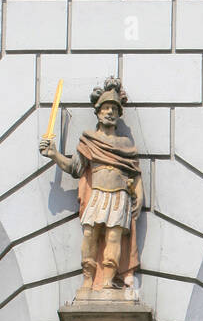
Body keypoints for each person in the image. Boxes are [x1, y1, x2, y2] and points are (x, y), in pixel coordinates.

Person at [39, 75, 143, 296]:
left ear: (118, 114)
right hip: (97, 194)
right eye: (106, 108)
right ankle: (88, 277)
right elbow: (76, 168)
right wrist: (54, 155)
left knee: (114, 237)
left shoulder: (126, 145)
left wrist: (140, 196)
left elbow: (135, 172)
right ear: (98, 112)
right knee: (90, 234)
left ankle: (107, 279)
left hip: (119, 197)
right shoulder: (89, 141)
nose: (110, 112)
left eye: (114, 109)